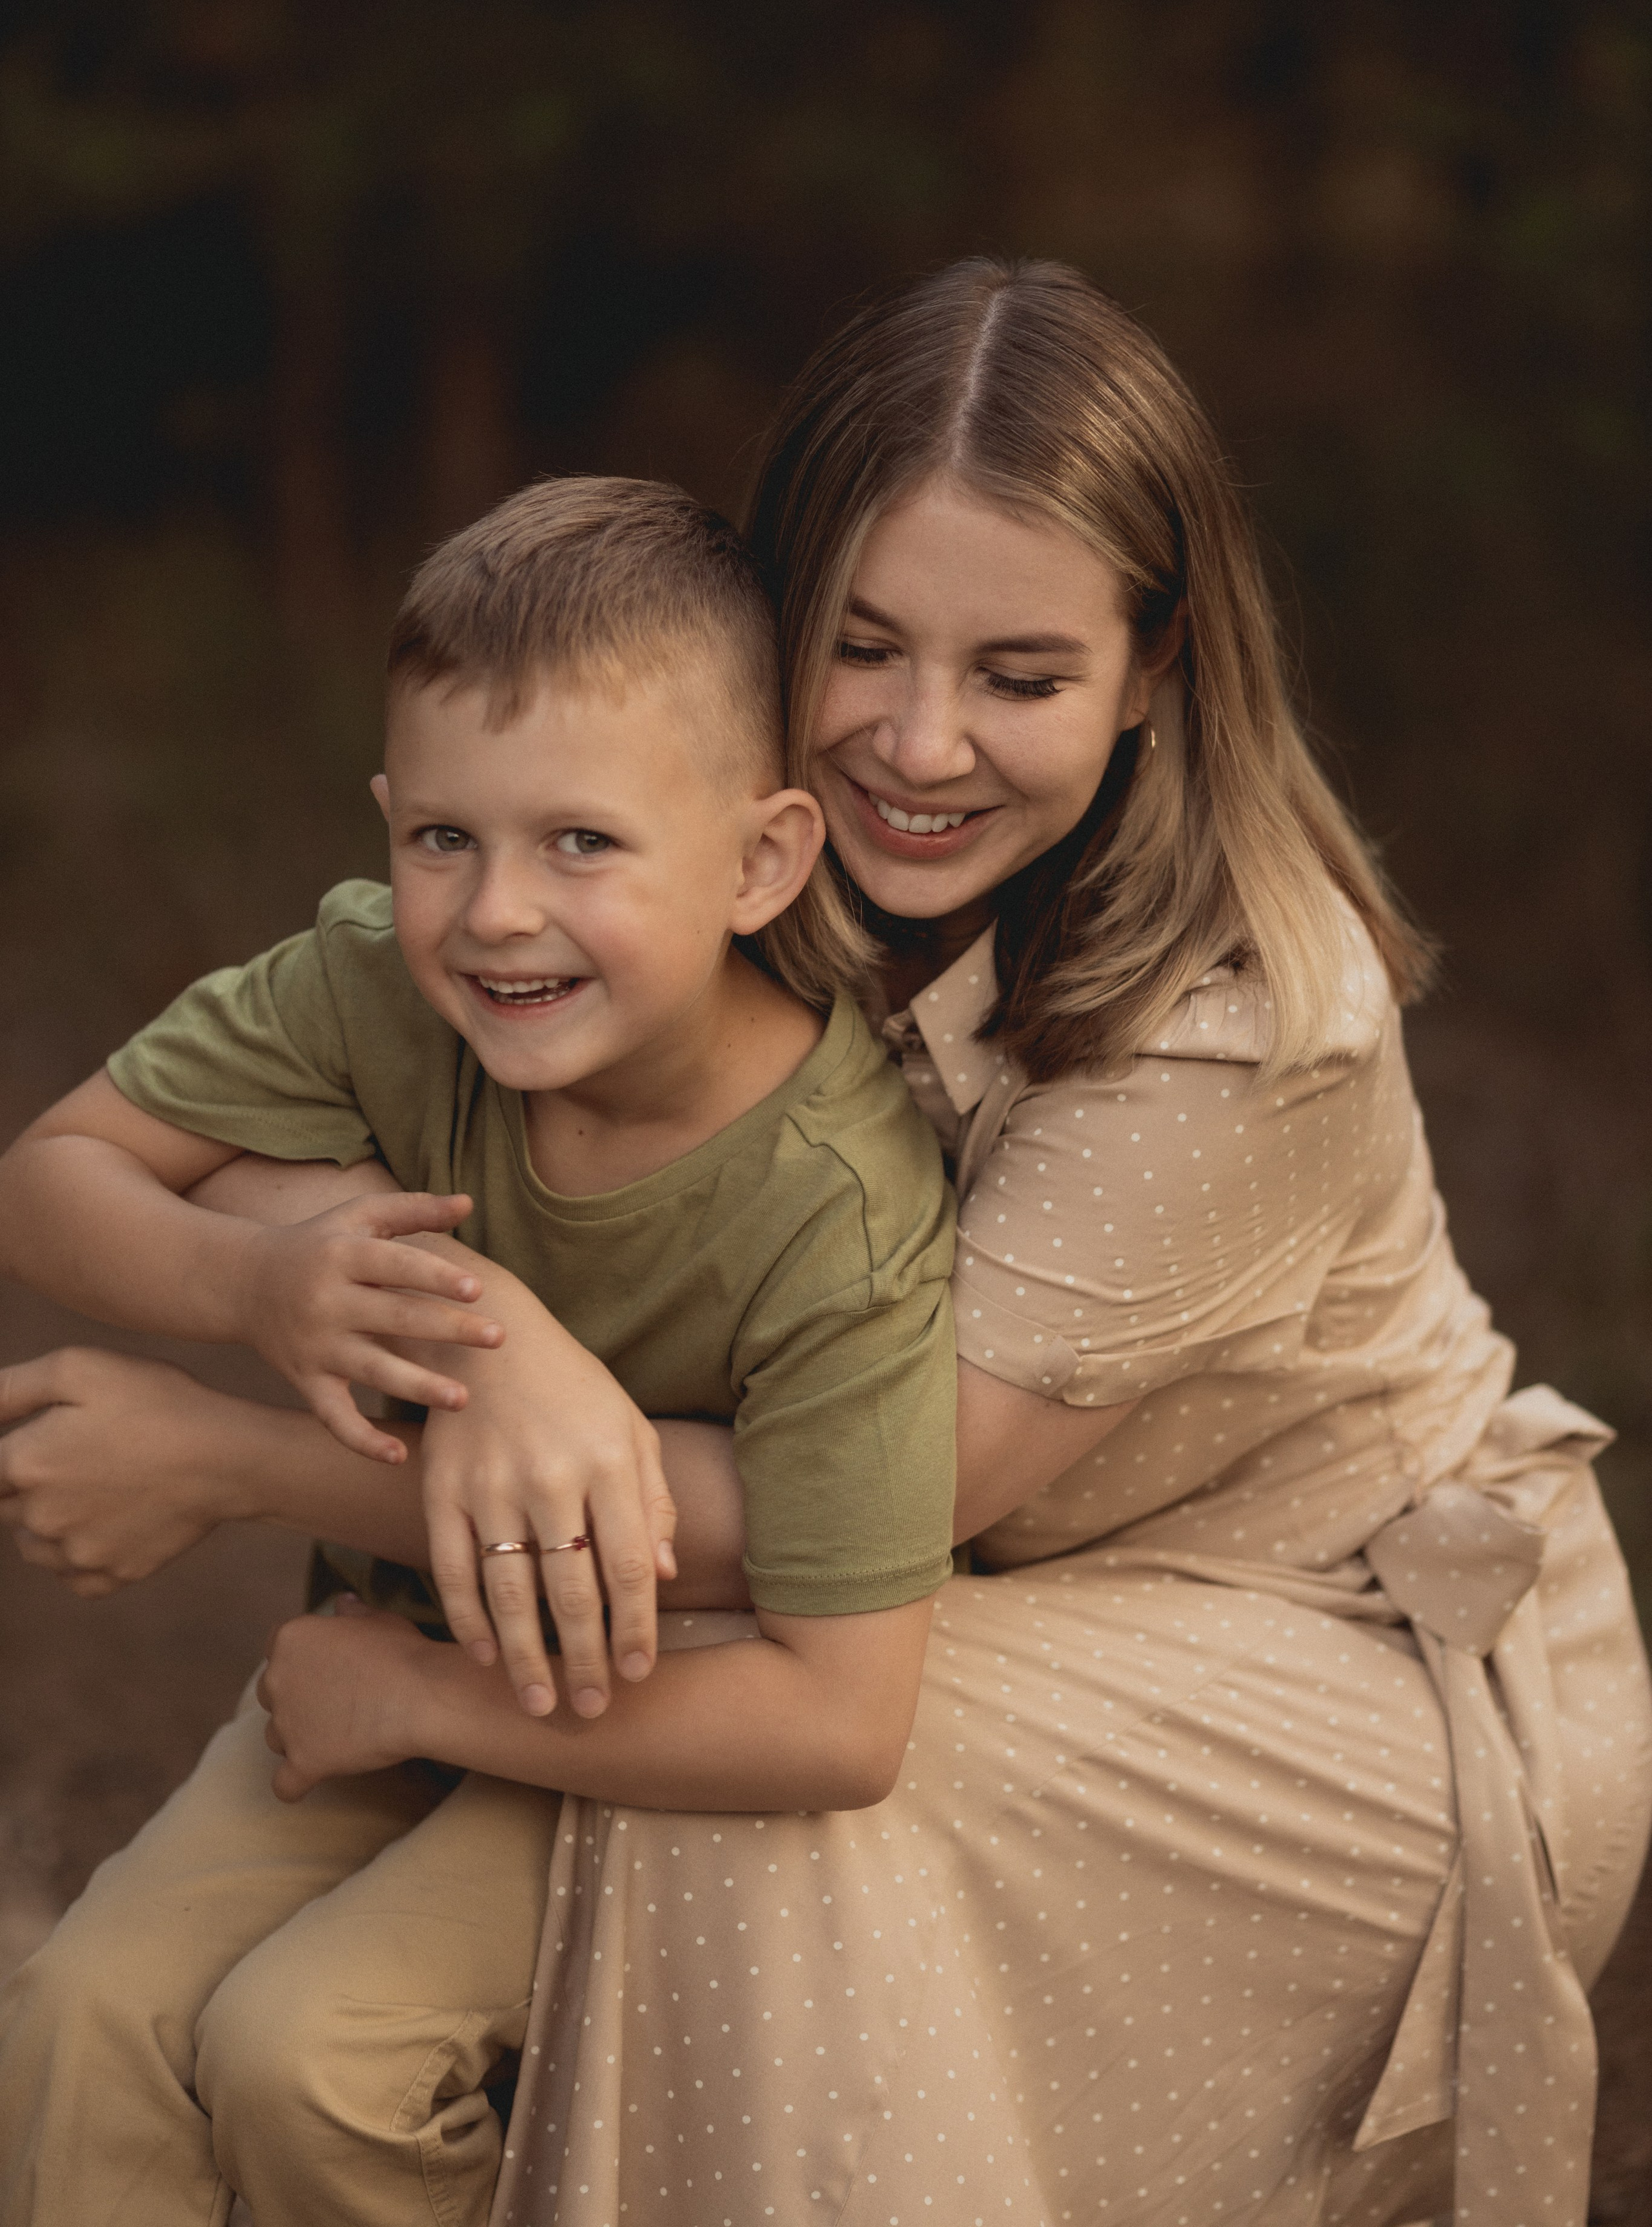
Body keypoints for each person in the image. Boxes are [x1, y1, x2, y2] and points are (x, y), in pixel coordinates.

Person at [3, 255, 1648, 2227]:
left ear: (1159, 660)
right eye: (864, 648)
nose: (923, 744)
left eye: (1021, 677)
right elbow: (353, 1114)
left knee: (721, 1814)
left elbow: (850, 1517)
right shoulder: (720, 875)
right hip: (862, 1585)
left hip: (1296, 1643)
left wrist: (237, 1454)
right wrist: (457, 1311)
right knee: (142, 1998)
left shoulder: (1248, 1024)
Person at [0, 476, 962, 2226]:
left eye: (582, 844)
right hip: (384, 1671)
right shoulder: (378, 989)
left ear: (763, 858)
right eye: (443, 838)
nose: (496, 913)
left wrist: (420, 1695)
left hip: (646, 1720)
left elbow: (842, 1722)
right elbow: (49, 1186)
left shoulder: (838, 1201)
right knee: (78, 2015)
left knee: (312, 2059)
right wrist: (254, 1287)